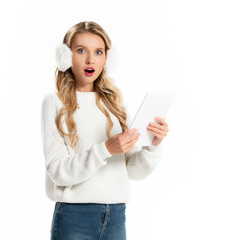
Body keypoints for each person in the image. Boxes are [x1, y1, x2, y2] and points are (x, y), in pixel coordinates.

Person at [41, 21, 169, 240]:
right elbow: (57, 170)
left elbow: (133, 171)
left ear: (107, 59)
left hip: (116, 217)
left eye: (98, 52)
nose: (90, 60)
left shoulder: (114, 104)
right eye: (81, 50)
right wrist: (106, 149)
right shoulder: (54, 103)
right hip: (74, 218)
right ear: (66, 56)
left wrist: (152, 146)